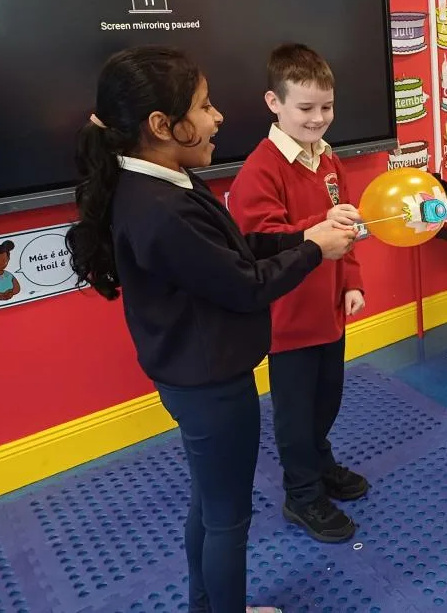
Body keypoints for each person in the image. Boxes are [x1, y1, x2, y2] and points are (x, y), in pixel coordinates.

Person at [65, 46, 357, 613]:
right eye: (203, 106)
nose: (218, 117)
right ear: (161, 126)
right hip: (209, 383)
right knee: (227, 518)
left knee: (210, 502)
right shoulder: (159, 208)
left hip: (201, 373)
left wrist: (303, 238)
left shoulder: (167, 181)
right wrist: (313, 251)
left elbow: (233, 253)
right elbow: (245, 285)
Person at [228, 44, 367, 544]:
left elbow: (348, 227)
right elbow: (261, 240)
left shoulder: (329, 159)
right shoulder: (260, 169)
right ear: (275, 103)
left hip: (328, 309)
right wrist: (320, 224)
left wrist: (351, 280)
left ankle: (320, 462)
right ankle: (302, 493)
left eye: (326, 106)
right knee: (295, 414)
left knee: (327, 400)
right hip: (288, 320)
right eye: (305, 107)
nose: (318, 118)